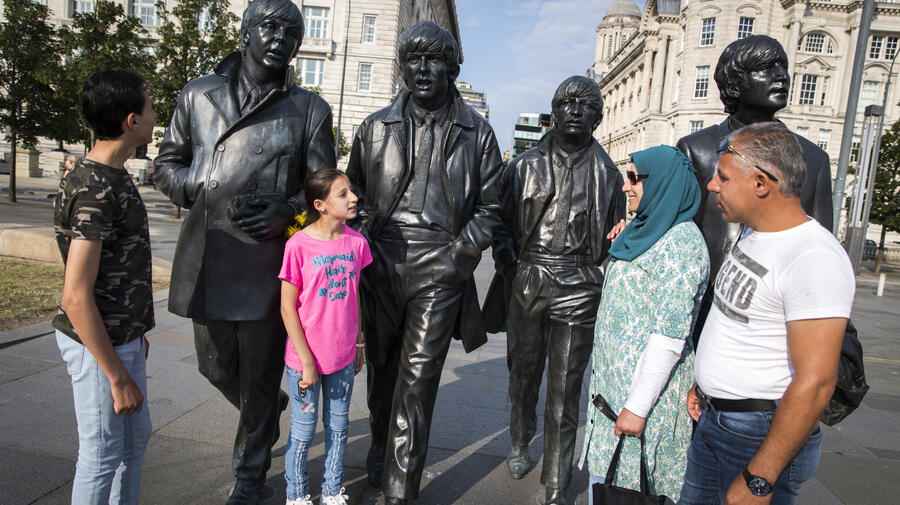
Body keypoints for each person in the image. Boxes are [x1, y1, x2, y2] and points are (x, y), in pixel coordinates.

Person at [153, 0, 336, 502]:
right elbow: (166, 163)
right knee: (214, 367)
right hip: (209, 255)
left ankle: (249, 475)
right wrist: (199, 182)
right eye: (270, 27)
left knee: (257, 375)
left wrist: (290, 212)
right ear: (245, 33)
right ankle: (266, 410)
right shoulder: (199, 94)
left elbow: (322, 190)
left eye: (292, 32)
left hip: (267, 262)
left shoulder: (310, 110)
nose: (281, 38)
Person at [345, 21, 503, 505]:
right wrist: (364, 242)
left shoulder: (477, 131)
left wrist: (459, 257)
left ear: (453, 67)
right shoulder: (374, 127)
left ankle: (400, 487)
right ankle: (379, 444)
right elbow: (352, 195)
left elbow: (492, 207)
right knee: (384, 373)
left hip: (441, 264)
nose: (423, 69)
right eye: (413, 60)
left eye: (434, 59)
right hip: (382, 261)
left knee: (418, 380)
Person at [677, 122, 854, 505]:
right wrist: (705, 384)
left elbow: (818, 381)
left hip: (755, 435)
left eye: (722, 177)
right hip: (714, 420)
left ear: (761, 184)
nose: (712, 186)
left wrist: (760, 477)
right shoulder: (753, 232)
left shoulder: (813, 257)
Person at [483, 76, 625, 505]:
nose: (577, 111)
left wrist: (598, 275)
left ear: (598, 117)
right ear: (555, 110)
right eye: (568, 103)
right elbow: (502, 225)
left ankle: (557, 483)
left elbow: (616, 236)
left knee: (566, 389)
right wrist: (511, 267)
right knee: (523, 375)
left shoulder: (609, 174)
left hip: (580, 282)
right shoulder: (523, 166)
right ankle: (520, 440)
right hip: (531, 276)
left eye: (587, 105)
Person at [676, 35, 833, 346]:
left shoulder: (813, 159)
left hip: (771, 315)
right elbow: (679, 232)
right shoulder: (698, 149)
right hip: (701, 304)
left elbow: (821, 244)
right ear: (734, 84)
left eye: (783, 67)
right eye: (765, 68)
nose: (781, 76)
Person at [579, 145, 708, 503]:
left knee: (633, 492)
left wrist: (636, 408)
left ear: (662, 183)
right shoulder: (645, 229)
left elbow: (669, 336)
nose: (625, 186)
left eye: (635, 177)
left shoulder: (681, 244)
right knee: (609, 488)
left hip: (646, 407)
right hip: (614, 396)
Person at [53, 69, 156, 505]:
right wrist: (116, 375)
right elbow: (75, 296)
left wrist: (135, 333)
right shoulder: (95, 188)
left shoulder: (113, 176)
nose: (156, 115)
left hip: (122, 338)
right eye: (150, 108)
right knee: (100, 457)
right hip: (100, 347)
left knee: (133, 445)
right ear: (131, 121)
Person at [279, 169, 372, 505]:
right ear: (320, 204)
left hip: (343, 356)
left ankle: (332, 489)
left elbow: (355, 295)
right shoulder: (298, 245)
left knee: (338, 428)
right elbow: (287, 309)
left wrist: (360, 341)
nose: (353, 198)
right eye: (343, 193)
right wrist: (306, 361)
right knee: (303, 433)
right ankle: (296, 494)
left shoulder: (357, 243)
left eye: (351, 191)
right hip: (305, 361)